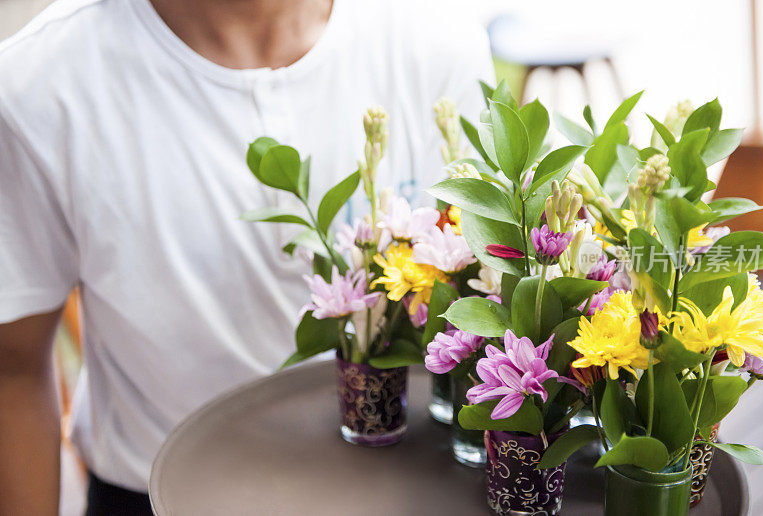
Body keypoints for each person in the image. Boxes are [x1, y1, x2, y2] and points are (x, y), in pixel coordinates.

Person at [0, 0, 494, 513]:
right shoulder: (40, 85)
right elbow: (12, 368)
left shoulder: (437, 47)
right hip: (152, 493)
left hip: (411, 484)